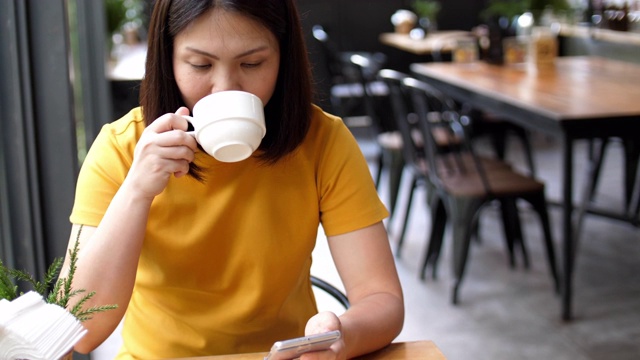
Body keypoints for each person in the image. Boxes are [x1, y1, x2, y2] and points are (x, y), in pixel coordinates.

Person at [60, 0, 404, 359]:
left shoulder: (322, 141)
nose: (224, 88)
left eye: (252, 63)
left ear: (284, 58)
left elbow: (382, 298)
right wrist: (136, 190)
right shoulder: (122, 147)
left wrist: (341, 337)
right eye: (200, 64)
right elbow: (80, 331)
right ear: (168, 58)